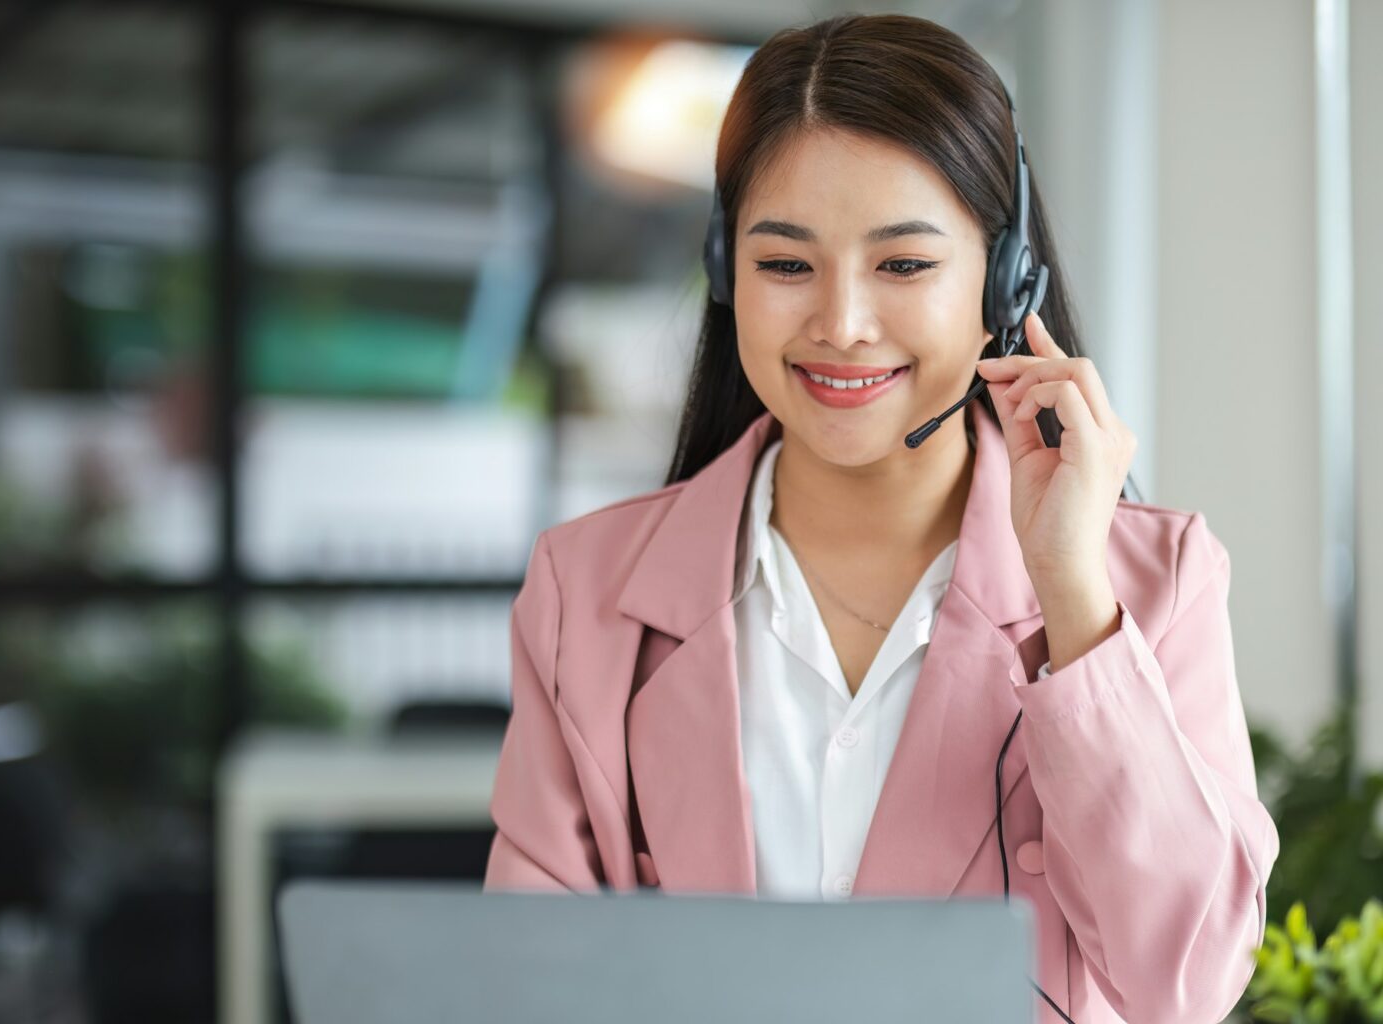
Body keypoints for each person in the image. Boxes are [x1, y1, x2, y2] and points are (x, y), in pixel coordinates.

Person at [483, 13, 1278, 1024]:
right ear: (728, 273)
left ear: (1003, 278)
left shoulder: (1155, 582)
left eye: (903, 266)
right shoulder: (584, 592)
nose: (842, 323)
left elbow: (1190, 981)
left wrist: (1075, 598)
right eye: (785, 265)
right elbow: (521, 989)